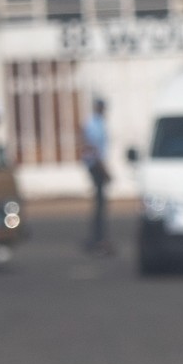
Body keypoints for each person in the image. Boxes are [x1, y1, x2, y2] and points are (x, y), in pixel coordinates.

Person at [80, 98, 113, 255]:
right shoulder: (93, 124)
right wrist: (104, 170)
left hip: (98, 165)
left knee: (101, 205)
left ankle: (99, 237)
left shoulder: (99, 123)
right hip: (95, 166)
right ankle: (98, 239)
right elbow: (93, 148)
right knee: (100, 205)